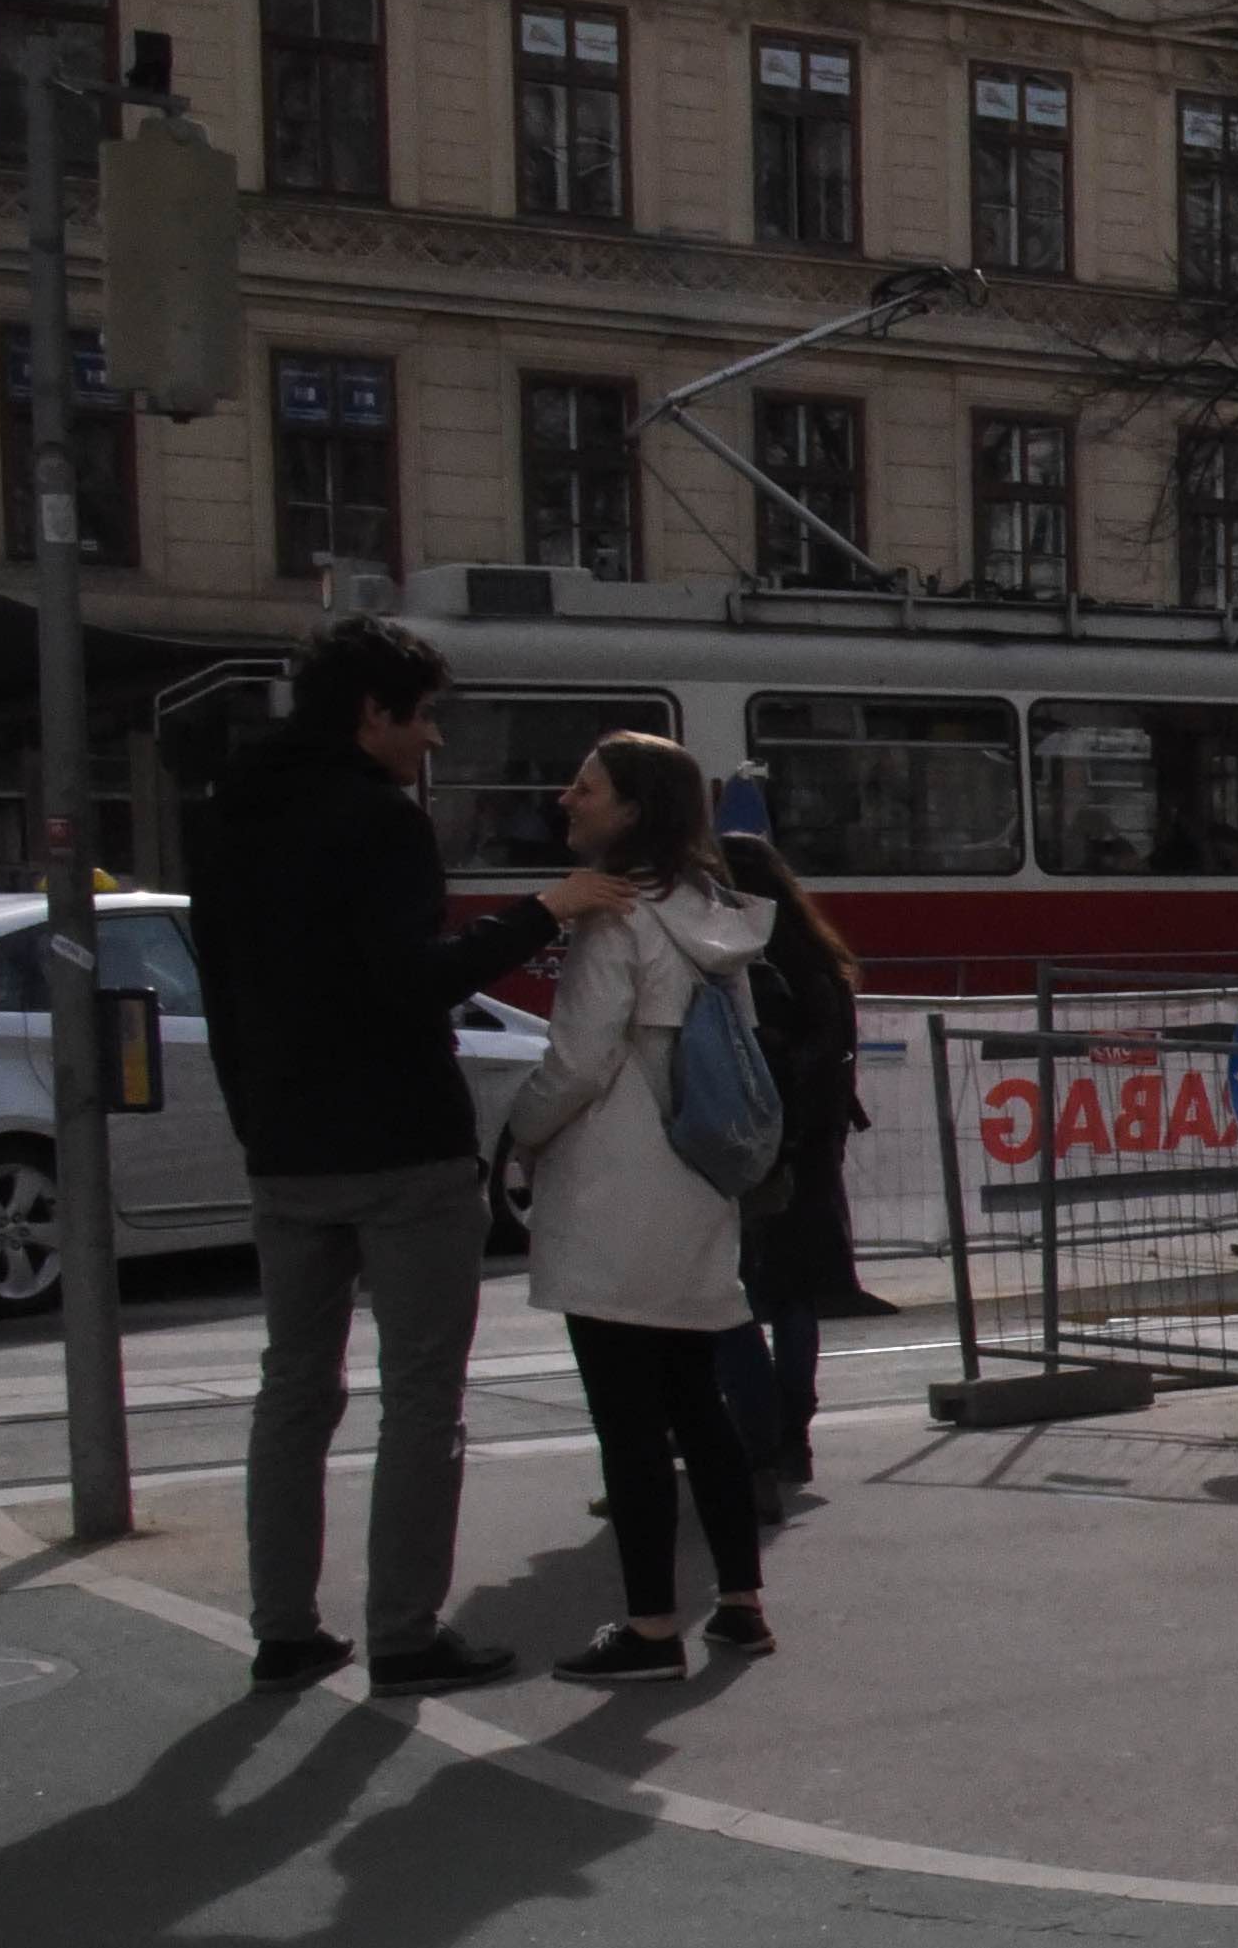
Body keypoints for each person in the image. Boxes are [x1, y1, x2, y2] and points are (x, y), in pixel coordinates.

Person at [184, 614, 632, 1693]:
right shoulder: (380, 821)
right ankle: (403, 1634)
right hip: (399, 1142)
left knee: (294, 1391)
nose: (431, 738)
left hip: (286, 1148)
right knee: (422, 1396)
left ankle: (285, 1629)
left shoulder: (228, 814)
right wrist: (542, 911)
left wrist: (259, 1124)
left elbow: (224, 991)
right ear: (372, 712)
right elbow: (414, 979)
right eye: (422, 716)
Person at [505, 733, 777, 1681]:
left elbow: (576, 1061)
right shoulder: (712, 913)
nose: (565, 798)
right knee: (698, 1403)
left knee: (627, 1422)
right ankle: (739, 1604)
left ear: (631, 809)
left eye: (585, 787)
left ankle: (652, 1626)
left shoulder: (613, 916)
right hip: (695, 1183)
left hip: (613, 1191)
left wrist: (520, 1132)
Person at [708, 829, 877, 1501]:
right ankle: (794, 1435)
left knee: (734, 1295)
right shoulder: (817, 955)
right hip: (813, 1144)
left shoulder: (734, 956)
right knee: (795, 1296)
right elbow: (833, 1054)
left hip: (750, 1145)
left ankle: (755, 1433)